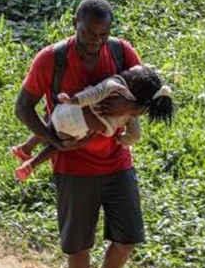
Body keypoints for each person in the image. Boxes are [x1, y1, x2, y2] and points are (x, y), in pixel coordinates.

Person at [15, 0, 152, 268]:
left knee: (128, 238)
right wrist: (53, 140)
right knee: (78, 246)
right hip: (73, 167)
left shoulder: (121, 53)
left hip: (116, 162)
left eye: (102, 36)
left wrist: (132, 106)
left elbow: (147, 95)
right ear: (74, 23)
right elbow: (23, 108)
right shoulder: (52, 59)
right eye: (89, 34)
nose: (95, 43)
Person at [11, 63, 174, 182]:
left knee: (49, 126)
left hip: (70, 111)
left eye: (129, 71)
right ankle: (31, 165)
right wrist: (122, 140)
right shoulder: (131, 113)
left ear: (132, 83)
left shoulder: (115, 85)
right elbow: (135, 135)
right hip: (79, 130)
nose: (125, 70)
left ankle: (26, 148)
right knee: (58, 144)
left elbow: (93, 94)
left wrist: (73, 100)